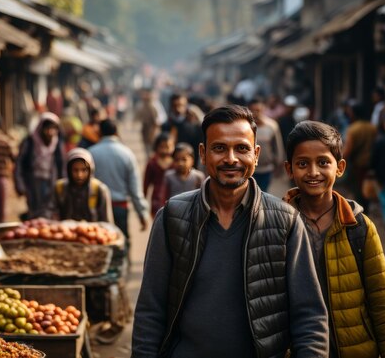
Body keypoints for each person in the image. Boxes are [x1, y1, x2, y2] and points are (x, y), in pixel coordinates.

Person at [132, 105, 329, 358]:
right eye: (219, 148)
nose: (231, 159)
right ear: (203, 153)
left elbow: (309, 318)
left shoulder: (285, 221)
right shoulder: (172, 217)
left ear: (256, 155)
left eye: (242, 148)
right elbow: (150, 312)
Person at [283, 120, 385, 358]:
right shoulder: (276, 227)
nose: (313, 172)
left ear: (339, 167)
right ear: (289, 169)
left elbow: (383, 302)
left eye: (323, 162)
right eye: (302, 164)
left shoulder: (358, 227)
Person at [89, 119, 150, 254]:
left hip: (96, 208)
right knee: (121, 244)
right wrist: (142, 213)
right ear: (116, 132)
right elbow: (135, 190)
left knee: (99, 245)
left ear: (99, 132)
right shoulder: (126, 154)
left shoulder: (91, 153)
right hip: (119, 207)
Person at [14, 112, 64, 219]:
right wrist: (20, 184)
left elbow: (60, 165)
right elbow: (20, 163)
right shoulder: (30, 142)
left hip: (51, 181)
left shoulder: (57, 144)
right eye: (47, 129)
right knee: (35, 210)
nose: (50, 132)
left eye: (53, 129)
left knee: (49, 210)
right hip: (32, 182)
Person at [54, 147, 113, 223]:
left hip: (92, 232)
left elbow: (107, 221)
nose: (79, 175)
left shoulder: (99, 189)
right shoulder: (60, 188)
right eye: (75, 170)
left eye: (84, 170)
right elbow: (50, 212)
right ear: (69, 170)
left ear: (90, 170)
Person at [342, 101, 377, 210]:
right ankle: (366, 211)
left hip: (357, 165)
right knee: (367, 191)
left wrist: (339, 161)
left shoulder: (353, 129)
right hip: (371, 164)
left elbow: (347, 150)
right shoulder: (372, 128)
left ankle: (360, 214)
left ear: (354, 113)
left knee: (357, 191)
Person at [248, 97, 285, 191]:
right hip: (249, 169)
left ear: (263, 109)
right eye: (253, 111)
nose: (256, 113)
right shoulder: (245, 127)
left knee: (263, 193)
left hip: (266, 169)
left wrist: (279, 165)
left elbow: (278, 147)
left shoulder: (272, 126)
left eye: (258, 110)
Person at [161, 92, 202, 168]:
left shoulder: (193, 127)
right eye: (175, 105)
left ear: (186, 106)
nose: (178, 109)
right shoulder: (165, 126)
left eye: (181, 105)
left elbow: (197, 151)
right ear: (171, 106)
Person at [143, 133, 174, 216]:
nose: (165, 150)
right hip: (157, 200)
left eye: (168, 147)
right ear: (157, 147)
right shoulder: (152, 163)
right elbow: (146, 184)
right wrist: (143, 206)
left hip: (174, 199)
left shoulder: (176, 163)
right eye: (162, 147)